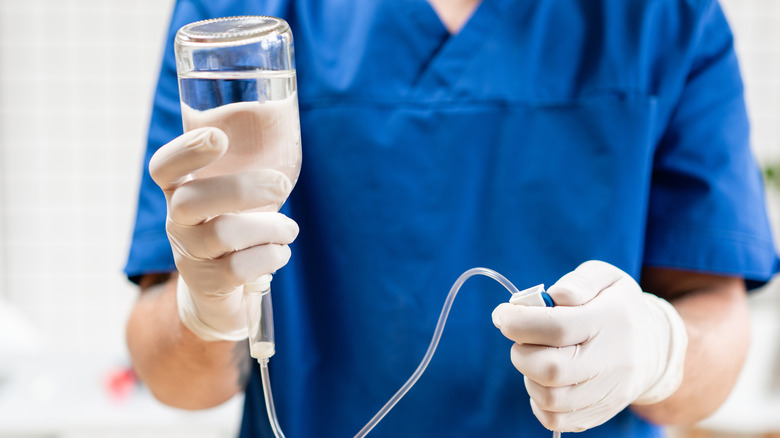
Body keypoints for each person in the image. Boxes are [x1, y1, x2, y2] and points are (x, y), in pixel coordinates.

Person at [124, 0, 779, 437]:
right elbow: (172, 374)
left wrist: (657, 349)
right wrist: (205, 313)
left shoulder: (662, 15)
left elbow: (713, 316)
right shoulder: (237, 16)